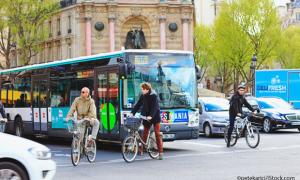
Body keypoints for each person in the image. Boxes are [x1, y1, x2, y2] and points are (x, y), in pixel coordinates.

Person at [130, 82, 163, 160]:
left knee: (157, 134)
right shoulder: (143, 96)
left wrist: (151, 116)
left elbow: (155, 107)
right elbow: (138, 104)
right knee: (144, 133)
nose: (142, 91)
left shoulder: (153, 96)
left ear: (147, 89)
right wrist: (132, 112)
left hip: (154, 117)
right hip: (146, 117)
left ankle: (160, 152)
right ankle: (141, 150)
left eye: (143, 89)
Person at [227, 83, 256, 148]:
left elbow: (247, 104)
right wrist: (237, 113)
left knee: (246, 117)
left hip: (239, 111)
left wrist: (253, 110)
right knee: (231, 126)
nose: (241, 91)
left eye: (243, 90)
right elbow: (234, 106)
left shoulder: (243, 97)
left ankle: (242, 132)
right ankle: (228, 141)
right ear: (238, 90)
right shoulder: (234, 97)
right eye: (240, 90)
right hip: (232, 112)